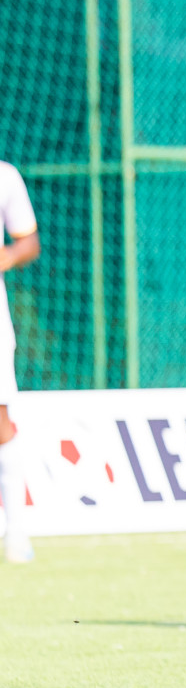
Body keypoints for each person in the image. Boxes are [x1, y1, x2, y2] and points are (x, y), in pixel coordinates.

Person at [0, 160, 40, 563]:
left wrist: (7, 256)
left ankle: (16, 531)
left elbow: (28, 242)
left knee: (0, 422)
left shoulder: (5, 176)